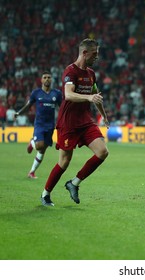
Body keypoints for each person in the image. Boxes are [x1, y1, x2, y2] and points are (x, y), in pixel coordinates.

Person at [40, 38, 110, 206]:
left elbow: (96, 97)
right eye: (95, 54)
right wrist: (89, 97)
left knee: (102, 152)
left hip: (85, 121)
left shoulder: (91, 74)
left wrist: (104, 116)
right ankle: (45, 194)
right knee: (64, 162)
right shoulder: (70, 71)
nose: (97, 57)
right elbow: (69, 94)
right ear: (84, 53)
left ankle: (74, 183)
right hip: (68, 122)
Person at [14, 71, 62, 179]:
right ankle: (32, 142)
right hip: (39, 124)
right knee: (39, 145)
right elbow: (28, 105)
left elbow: (62, 108)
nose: (47, 79)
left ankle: (31, 172)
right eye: (44, 77)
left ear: (51, 79)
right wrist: (18, 113)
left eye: (49, 77)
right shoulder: (36, 93)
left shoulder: (57, 94)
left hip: (50, 125)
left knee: (42, 150)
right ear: (41, 80)